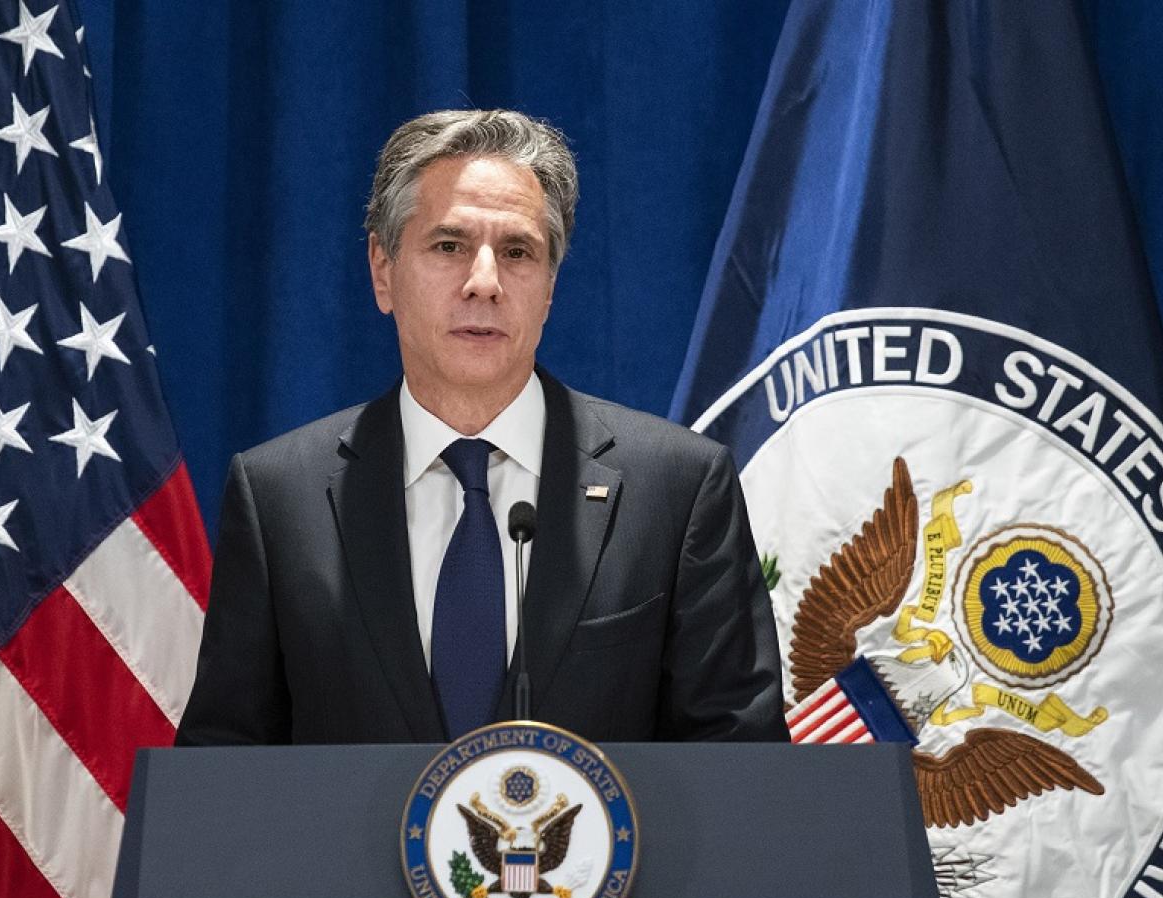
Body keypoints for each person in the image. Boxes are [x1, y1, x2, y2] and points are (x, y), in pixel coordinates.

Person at [176, 109, 787, 745]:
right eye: (450, 246)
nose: (485, 282)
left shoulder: (678, 489)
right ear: (383, 270)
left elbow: (740, 766)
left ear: (549, 287)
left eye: (518, 252)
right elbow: (224, 768)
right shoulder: (279, 497)